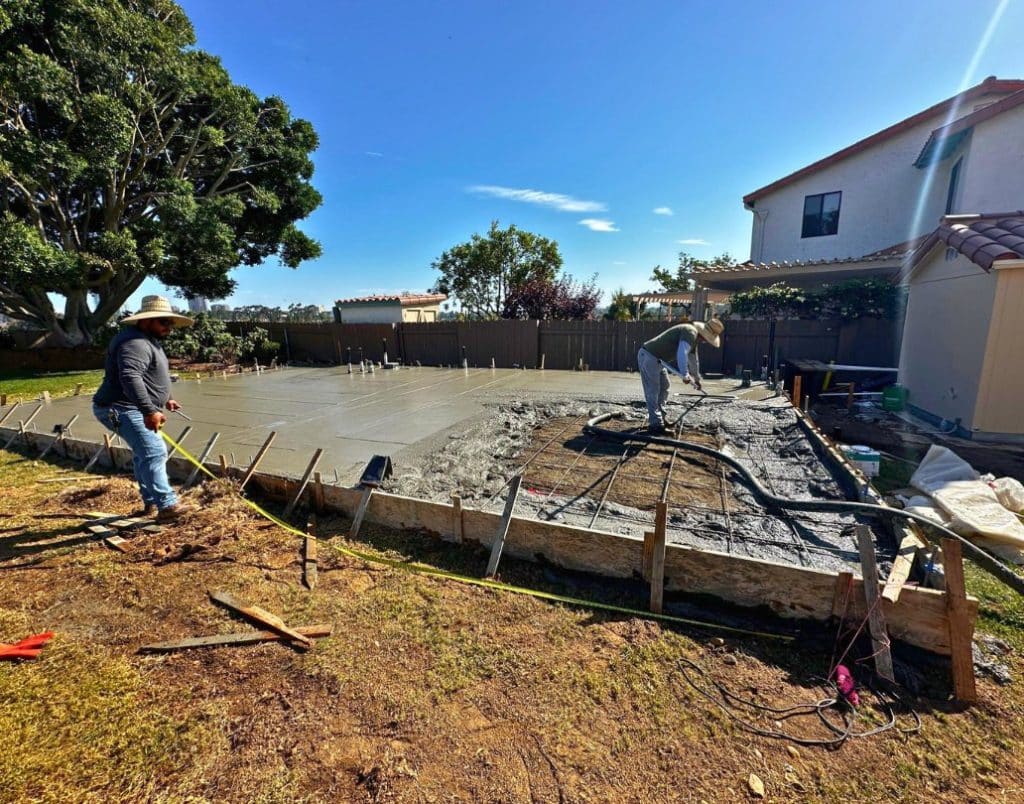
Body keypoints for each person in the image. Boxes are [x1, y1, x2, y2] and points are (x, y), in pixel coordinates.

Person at [92, 295, 194, 522]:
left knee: (144, 455)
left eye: (170, 323)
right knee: (155, 452)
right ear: (146, 321)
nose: (169, 327)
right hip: (118, 409)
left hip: (125, 407)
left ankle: (150, 502)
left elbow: (151, 375)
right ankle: (166, 506)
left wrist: (167, 398)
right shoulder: (135, 343)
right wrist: (149, 410)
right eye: (163, 322)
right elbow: (129, 376)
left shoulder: (147, 339)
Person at [637, 319, 724, 434]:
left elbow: (693, 360)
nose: (706, 342)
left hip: (659, 360)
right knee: (652, 391)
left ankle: (660, 418)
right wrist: (685, 374)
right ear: (705, 335)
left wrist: (696, 379)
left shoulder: (694, 339)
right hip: (649, 356)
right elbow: (682, 353)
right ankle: (655, 425)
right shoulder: (690, 332)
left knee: (664, 387)